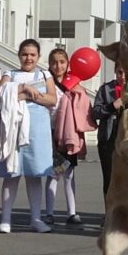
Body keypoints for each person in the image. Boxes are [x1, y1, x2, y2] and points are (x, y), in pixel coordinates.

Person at [0, 39, 57, 234]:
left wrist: (25, 94)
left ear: (38, 57)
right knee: (11, 174)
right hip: (13, 129)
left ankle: (36, 219)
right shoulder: (9, 74)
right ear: (19, 55)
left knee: (34, 175)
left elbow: (52, 99)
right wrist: (23, 87)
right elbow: (1, 94)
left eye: (32, 55)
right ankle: (5, 219)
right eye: (25, 54)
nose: (28, 58)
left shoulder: (45, 74)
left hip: (37, 129)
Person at [44, 48, 94, 229]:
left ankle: (72, 213)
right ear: (49, 64)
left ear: (68, 64)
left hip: (68, 133)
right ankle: (49, 213)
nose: (58, 66)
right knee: (53, 174)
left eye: (62, 62)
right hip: (50, 132)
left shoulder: (74, 84)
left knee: (69, 174)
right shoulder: (46, 83)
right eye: (54, 62)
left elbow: (83, 105)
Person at [92, 64, 125, 196]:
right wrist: (112, 106)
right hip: (108, 138)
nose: (123, 77)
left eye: (126, 73)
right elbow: (95, 112)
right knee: (109, 179)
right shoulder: (106, 89)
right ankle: (110, 208)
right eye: (120, 72)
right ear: (115, 71)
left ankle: (126, 209)